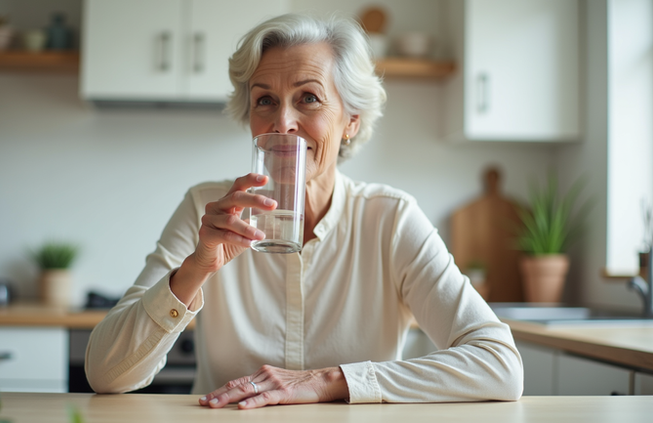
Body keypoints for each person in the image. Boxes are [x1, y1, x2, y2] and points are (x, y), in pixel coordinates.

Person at [85, 13, 523, 408]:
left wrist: (329, 381)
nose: (282, 124)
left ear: (350, 119)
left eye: (308, 98)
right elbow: (106, 376)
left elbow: (500, 365)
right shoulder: (206, 210)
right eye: (265, 100)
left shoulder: (390, 220)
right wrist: (197, 268)